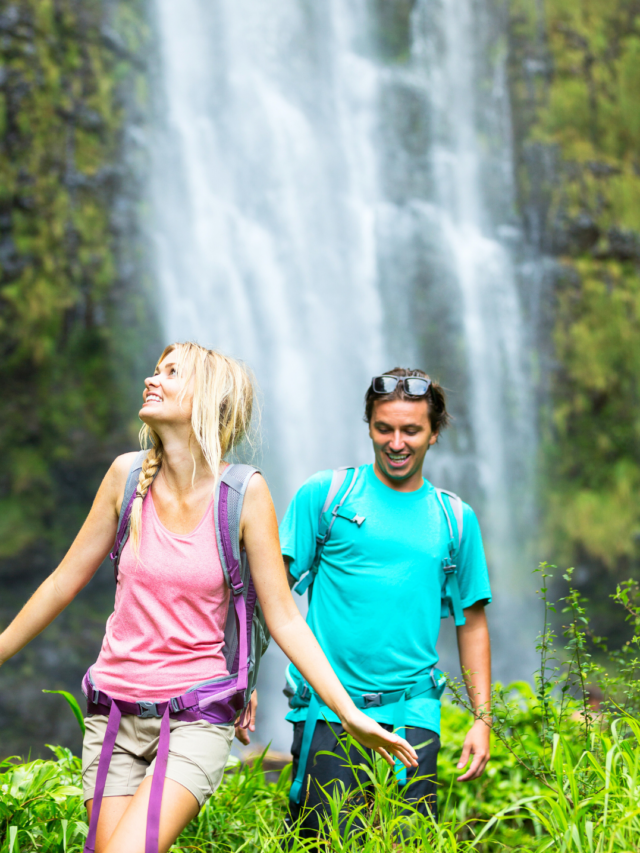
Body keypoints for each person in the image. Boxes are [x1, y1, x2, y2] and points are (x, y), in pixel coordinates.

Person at [0, 343, 417, 853]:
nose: (153, 380)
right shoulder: (125, 478)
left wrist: (349, 712)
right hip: (111, 714)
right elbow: (62, 583)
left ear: (208, 398)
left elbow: (284, 618)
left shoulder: (244, 494)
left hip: (193, 717)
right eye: (155, 370)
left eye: (171, 373)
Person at [280, 367, 492, 838]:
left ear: (434, 433)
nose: (396, 443)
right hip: (330, 710)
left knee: (408, 843)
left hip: (412, 711)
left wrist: (482, 719)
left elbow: (472, 622)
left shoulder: (455, 519)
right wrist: (242, 680)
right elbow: (270, 599)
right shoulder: (327, 496)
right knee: (326, 842)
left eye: (411, 430)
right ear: (369, 426)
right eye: (384, 429)